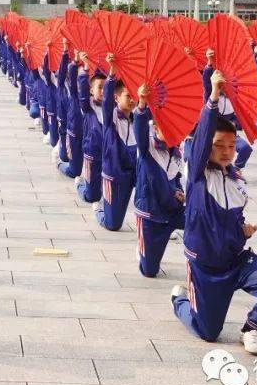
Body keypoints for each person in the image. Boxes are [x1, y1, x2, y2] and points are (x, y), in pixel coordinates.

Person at [172, 71, 257, 356]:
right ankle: (180, 300)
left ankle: (252, 329)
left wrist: (242, 230)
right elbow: (201, 140)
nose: (226, 151)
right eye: (218, 146)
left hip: (236, 261)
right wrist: (213, 95)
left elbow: (232, 217)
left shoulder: (237, 178)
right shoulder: (198, 175)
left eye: (230, 145)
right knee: (208, 332)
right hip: (205, 267)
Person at [133, 85, 185, 277]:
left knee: (201, 223)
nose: (172, 131)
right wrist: (142, 104)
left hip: (173, 210)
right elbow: (139, 127)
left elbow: (176, 178)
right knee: (149, 271)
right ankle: (143, 249)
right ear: (155, 127)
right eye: (166, 126)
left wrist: (179, 192)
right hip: (150, 214)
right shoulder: (148, 148)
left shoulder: (178, 151)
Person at [94, 54, 138, 231]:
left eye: (134, 95)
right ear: (116, 97)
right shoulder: (110, 117)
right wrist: (112, 71)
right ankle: (100, 210)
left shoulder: (140, 119)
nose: (132, 99)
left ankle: (151, 224)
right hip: (115, 171)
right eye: (128, 95)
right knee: (113, 224)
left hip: (135, 170)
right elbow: (105, 100)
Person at [77, 69, 106, 205]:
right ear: (91, 90)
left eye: (106, 88)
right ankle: (80, 185)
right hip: (92, 153)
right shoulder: (88, 107)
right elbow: (82, 93)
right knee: (92, 196)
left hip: (108, 155)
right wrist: (85, 72)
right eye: (99, 87)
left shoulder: (112, 109)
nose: (103, 91)